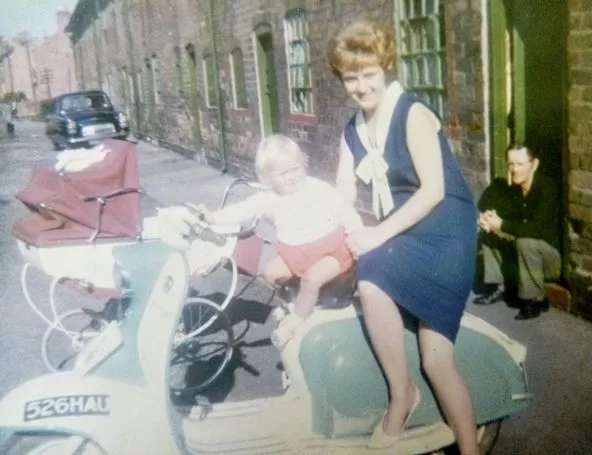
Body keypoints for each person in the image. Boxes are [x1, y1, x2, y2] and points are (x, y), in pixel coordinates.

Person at [327, 18, 479, 454]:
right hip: (405, 230)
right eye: (351, 78)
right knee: (375, 285)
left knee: (432, 352)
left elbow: (432, 192)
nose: (361, 87)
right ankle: (402, 395)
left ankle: (469, 448)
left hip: (445, 228)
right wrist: (340, 224)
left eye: (369, 74)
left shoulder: (411, 113)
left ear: (385, 68)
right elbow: (342, 189)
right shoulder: (352, 130)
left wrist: (374, 236)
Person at [192, 134, 362, 348]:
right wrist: (213, 218)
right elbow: (244, 209)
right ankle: (295, 303)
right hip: (299, 254)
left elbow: (343, 209)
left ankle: (296, 321)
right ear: (268, 178)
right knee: (270, 272)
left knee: (311, 279)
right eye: (283, 173)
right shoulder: (268, 198)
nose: (291, 177)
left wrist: (358, 234)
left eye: (295, 169)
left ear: (303, 165)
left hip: (333, 249)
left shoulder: (316, 188)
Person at [474, 143, 562, 320]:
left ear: (534, 164)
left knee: (525, 241)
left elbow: (537, 229)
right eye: (510, 164)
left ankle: (536, 299)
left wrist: (502, 225)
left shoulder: (546, 188)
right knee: (491, 229)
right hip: (529, 257)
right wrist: (489, 219)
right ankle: (500, 287)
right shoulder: (515, 190)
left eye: (519, 164)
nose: (514, 169)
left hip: (550, 260)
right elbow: (504, 216)